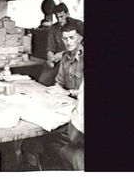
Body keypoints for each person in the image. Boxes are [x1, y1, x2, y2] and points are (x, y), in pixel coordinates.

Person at [47, 24, 84, 170]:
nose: (68, 42)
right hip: (66, 105)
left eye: (72, 38)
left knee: (62, 135)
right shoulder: (64, 57)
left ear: (80, 37)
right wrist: (54, 91)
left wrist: (68, 93)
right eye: (65, 39)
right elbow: (59, 82)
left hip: (81, 108)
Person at [38, 3, 83, 86]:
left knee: (71, 83)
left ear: (67, 14)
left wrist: (63, 53)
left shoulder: (79, 25)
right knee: (43, 81)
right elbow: (50, 47)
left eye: (62, 16)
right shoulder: (54, 28)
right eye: (57, 17)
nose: (59, 20)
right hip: (58, 60)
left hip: (75, 59)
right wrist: (50, 57)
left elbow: (81, 46)